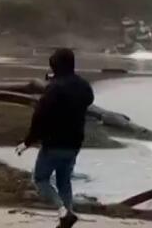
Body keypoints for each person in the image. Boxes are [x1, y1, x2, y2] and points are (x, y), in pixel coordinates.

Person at [16, 48, 95, 228]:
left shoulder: (54, 88)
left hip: (53, 143)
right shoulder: (83, 86)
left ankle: (63, 211)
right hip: (75, 142)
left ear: (55, 66)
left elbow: (40, 117)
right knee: (64, 181)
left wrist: (27, 142)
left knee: (41, 179)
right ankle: (66, 219)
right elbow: (89, 100)